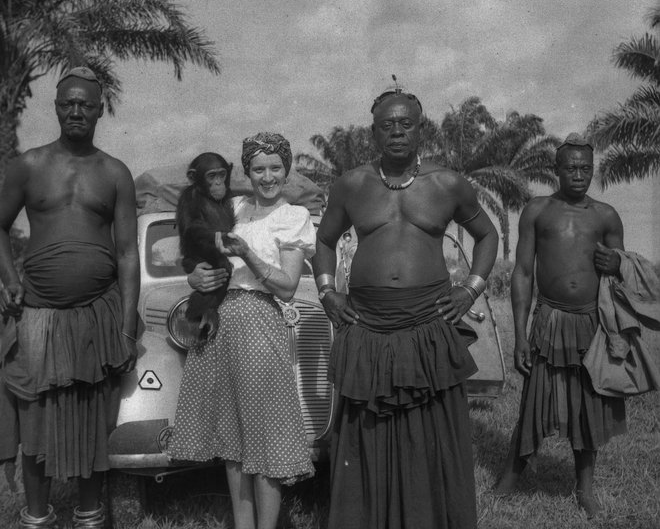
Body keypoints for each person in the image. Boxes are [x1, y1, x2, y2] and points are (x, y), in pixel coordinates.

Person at [312, 88, 499, 529]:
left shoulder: (448, 183)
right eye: (387, 124)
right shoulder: (352, 184)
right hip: (367, 324)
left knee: (431, 432)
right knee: (366, 433)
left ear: (422, 128)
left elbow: (487, 236)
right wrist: (327, 291)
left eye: (406, 123)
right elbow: (324, 240)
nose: (396, 131)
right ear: (373, 131)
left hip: (427, 322)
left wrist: (470, 288)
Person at [0, 67, 139, 529]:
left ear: (101, 109)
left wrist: (125, 322)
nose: (76, 110)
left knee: (91, 417)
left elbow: (126, 252)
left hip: (97, 313)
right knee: (36, 415)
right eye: (67, 103)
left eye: (86, 103)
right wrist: (8, 277)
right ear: (56, 107)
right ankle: (36, 517)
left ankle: (89, 516)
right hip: (37, 312)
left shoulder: (115, 172)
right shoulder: (29, 165)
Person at [168, 132, 315, 529]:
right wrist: (193, 274)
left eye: (275, 168)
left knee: (266, 435)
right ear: (246, 173)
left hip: (261, 323)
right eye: (258, 169)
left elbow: (286, 285)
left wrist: (247, 253)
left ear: (286, 171)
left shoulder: (293, 217)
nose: (267, 177)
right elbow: (193, 242)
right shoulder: (233, 206)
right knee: (232, 440)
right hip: (220, 322)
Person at [493, 134, 626, 518]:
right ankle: (509, 478)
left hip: (591, 321)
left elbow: (622, 276)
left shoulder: (606, 216)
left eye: (586, 167)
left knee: (589, 402)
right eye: (571, 167)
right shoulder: (538, 210)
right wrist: (519, 334)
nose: (579, 174)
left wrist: (617, 265)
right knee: (535, 398)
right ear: (557, 170)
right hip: (549, 319)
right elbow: (521, 273)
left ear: (593, 169)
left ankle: (584, 488)